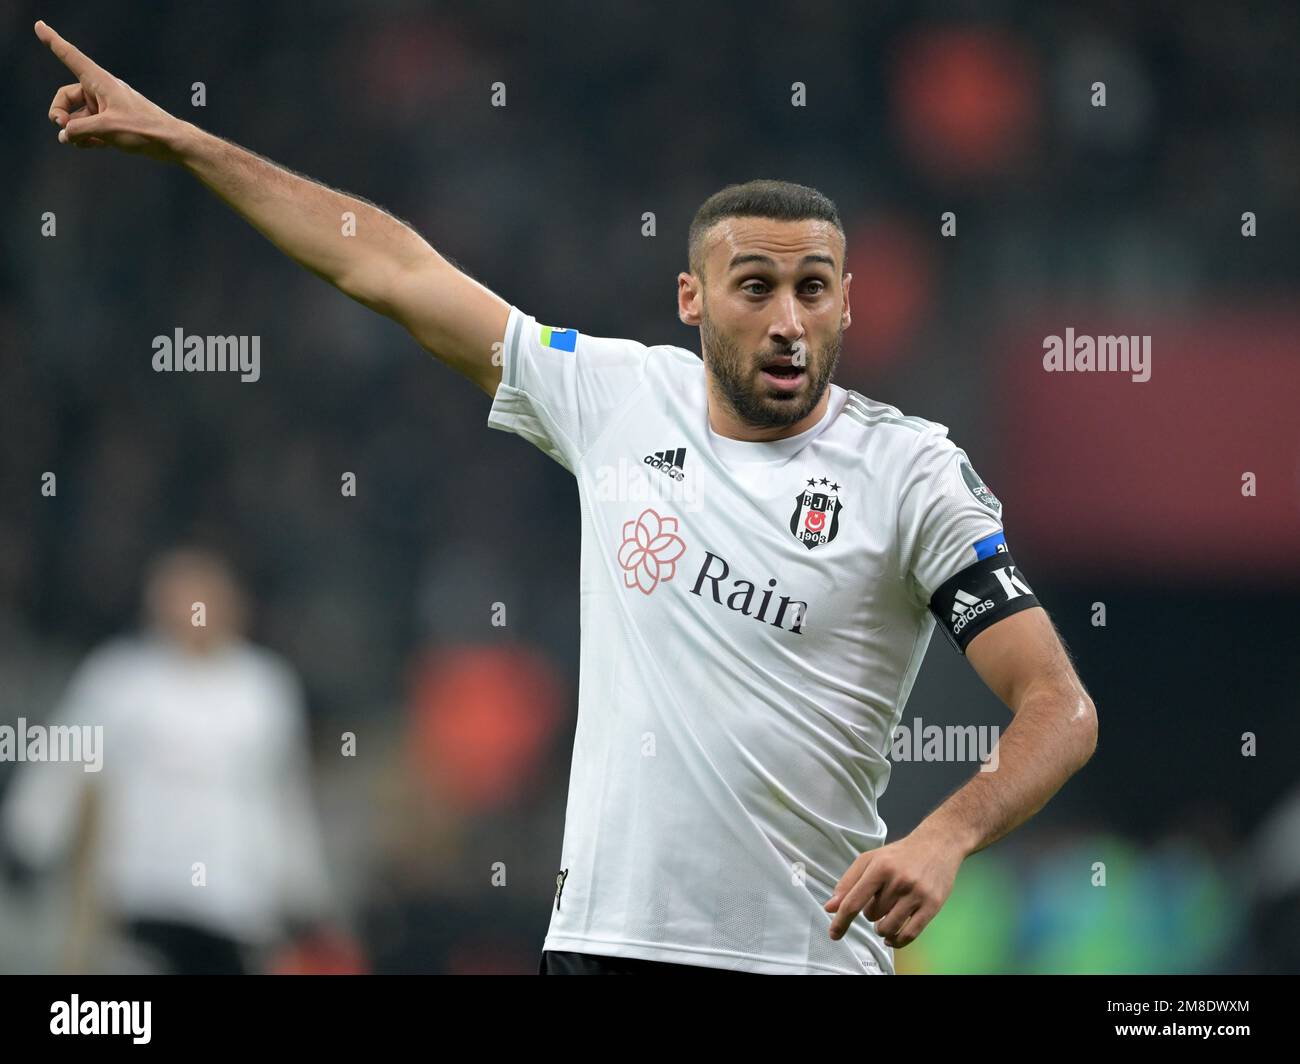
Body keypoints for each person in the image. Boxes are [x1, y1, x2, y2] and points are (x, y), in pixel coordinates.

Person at [32, 20, 1099, 975]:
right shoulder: (618, 395)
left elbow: (1058, 706)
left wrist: (943, 833)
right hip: (600, 944)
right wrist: (186, 142)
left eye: (813, 288)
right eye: (755, 286)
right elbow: (392, 271)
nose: (787, 319)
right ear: (691, 298)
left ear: (847, 303)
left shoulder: (909, 471)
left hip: (796, 956)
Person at [1, 546, 340, 974]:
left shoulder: (263, 690)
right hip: (143, 889)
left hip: (232, 899)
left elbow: (285, 796)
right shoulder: (122, 679)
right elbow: (64, 759)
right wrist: (29, 837)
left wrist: (304, 893)